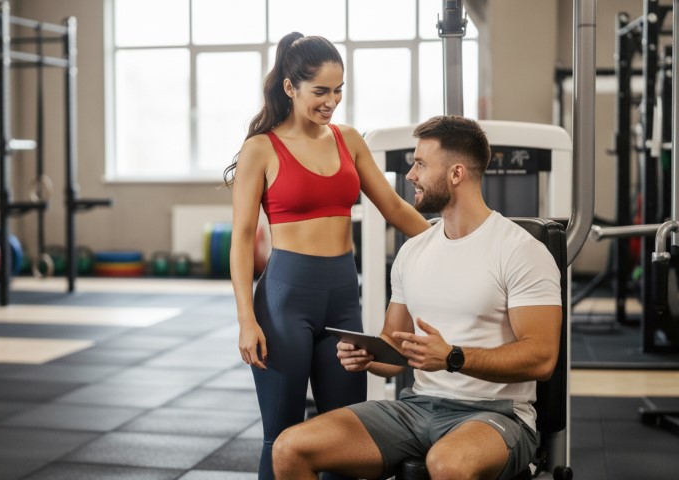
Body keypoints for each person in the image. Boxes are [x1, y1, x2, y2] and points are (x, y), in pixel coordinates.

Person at [271, 115, 563, 480]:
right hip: (415, 408)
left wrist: (453, 357)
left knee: (448, 464)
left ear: (456, 174)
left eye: (421, 164)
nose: (410, 175)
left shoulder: (521, 251)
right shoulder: (414, 250)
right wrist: (369, 355)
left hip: (495, 414)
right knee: (289, 448)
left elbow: (541, 358)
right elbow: (394, 351)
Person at [224, 32, 431, 480]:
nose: (331, 102)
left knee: (347, 435)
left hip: (341, 299)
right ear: (289, 88)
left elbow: (395, 207)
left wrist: (457, 243)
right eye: (320, 91)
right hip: (284, 303)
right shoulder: (260, 148)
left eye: (338, 91)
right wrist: (245, 319)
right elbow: (242, 238)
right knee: (282, 438)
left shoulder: (348, 140)